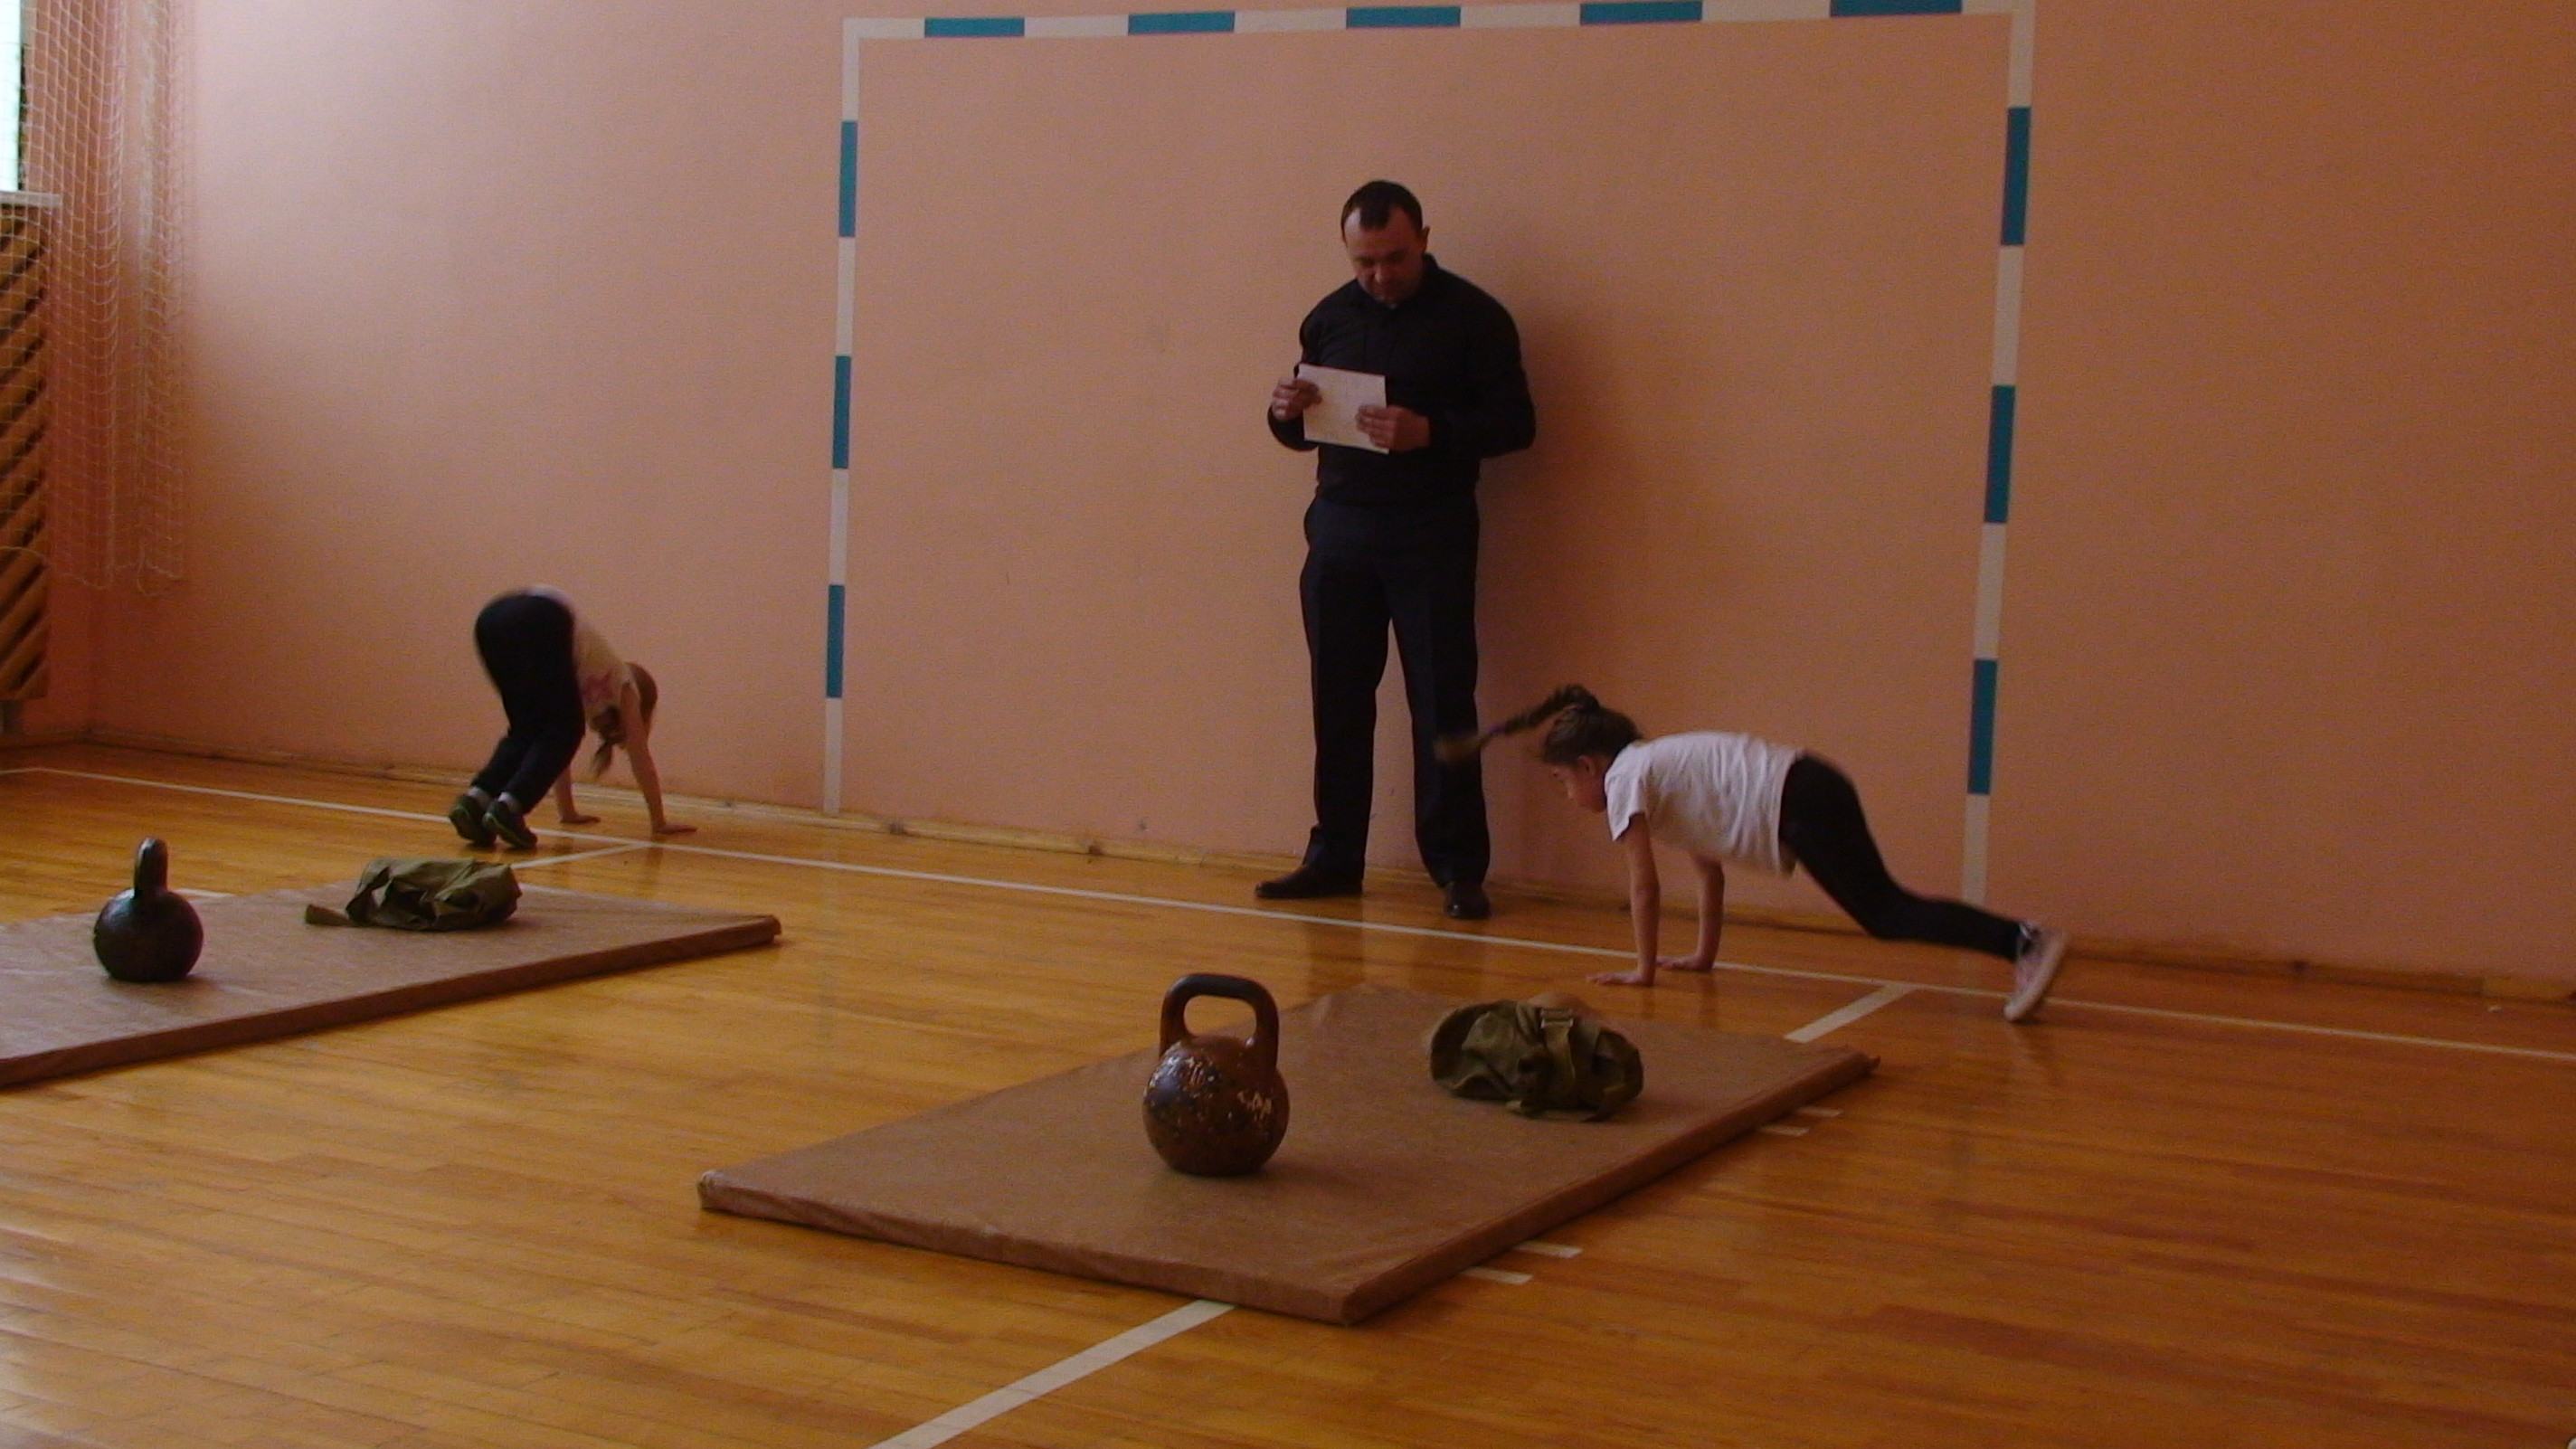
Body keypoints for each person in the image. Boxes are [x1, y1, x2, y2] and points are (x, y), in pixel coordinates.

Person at [1445, 686, 2070, 1021]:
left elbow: (1644, 886)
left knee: (1886, 913)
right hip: (1812, 783)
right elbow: (1708, 870)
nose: (1566, 795)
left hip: (1801, 796)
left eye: (1562, 781)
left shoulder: (1626, 779)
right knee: (1886, 909)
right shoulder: (1658, 773)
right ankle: (2021, 942)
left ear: (1589, 766)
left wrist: (1642, 970)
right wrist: (1702, 956)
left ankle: (2023, 941)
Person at [1260, 180, 1537, 921]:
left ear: (1423, 241)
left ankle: (1457, 869)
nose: (1380, 275)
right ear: (1347, 252)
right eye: (1365, 262)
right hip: (1340, 530)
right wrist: (1283, 413)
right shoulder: (1328, 317)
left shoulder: (1475, 317)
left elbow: (1518, 423)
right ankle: (1334, 857)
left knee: (1443, 700)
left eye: (1395, 258)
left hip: (1431, 529)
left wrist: (1432, 432)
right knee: (1338, 697)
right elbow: (1302, 430)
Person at [450, 587, 692, 850]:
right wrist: (659, 821)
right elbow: (640, 757)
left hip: (491, 620)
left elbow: (554, 757)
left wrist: (567, 812)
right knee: (562, 731)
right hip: (542, 614)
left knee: (528, 731)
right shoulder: (626, 686)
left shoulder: (577, 678)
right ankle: (510, 806)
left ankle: (476, 799)